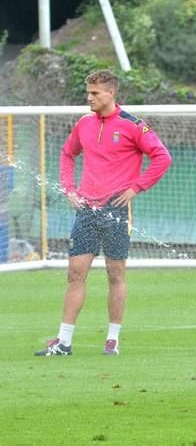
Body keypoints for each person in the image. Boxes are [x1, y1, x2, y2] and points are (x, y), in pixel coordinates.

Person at [35, 69, 172, 356]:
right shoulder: (84, 123)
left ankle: (112, 339)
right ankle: (64, 341)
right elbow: (67, 154)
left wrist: (136, 188)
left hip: (116, 210)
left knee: (115, 274)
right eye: (89, 92)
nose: (90, 97)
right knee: (75, 273)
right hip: (87, 209)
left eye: (95, 93)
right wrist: (69, 189)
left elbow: (162, 157)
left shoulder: (133, 125)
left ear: (111, 93)